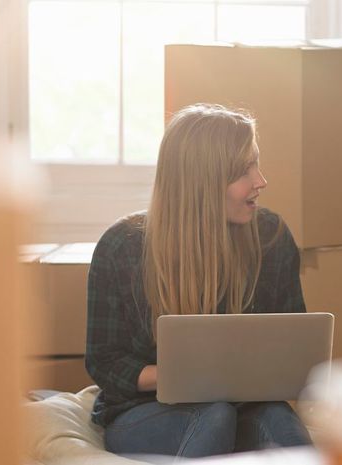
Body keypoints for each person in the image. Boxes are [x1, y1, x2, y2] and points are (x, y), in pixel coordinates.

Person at [85, 103, 312, 458]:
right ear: (202, 183)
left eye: (257, 163)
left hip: (247, 406)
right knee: (215, 416)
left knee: (283, 426)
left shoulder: (271, 236)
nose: (260, 181)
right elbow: (105, 362)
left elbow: (293, 345)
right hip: (146, 410)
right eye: (244, 170)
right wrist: (188, 376)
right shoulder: (123, 247)